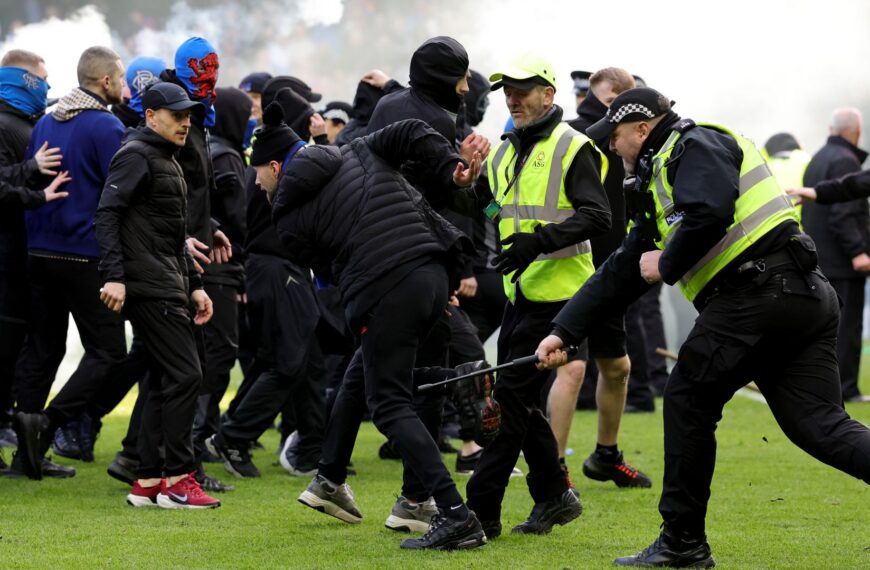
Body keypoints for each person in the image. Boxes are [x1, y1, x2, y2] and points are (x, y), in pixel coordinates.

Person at [535, 87, 870, 567]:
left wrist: (665, 263)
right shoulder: (656, 181)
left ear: (642, 129)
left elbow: (708, 213)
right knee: (821, 427)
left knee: (689, 399)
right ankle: (681, 542)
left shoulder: (694, 145)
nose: (610, 146)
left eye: (615, 136)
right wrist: (562, 331)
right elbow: (623, 269)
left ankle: (682, 544)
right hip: (796, 295)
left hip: (756, 295)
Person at [255, 103, 488, 550]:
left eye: (258, 174)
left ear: (275, 167)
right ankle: (337, 481)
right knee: (367, 371)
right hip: (435, 269)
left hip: (386, 288)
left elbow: (332, 272)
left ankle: (455, 514)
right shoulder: (356, 150)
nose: (256, 183)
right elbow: (412, 130)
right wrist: (453, 166)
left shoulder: (284, 221)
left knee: (388, 403)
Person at [450, 53, 612, 538]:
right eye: (507, 90)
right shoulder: (501, 151)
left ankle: (479, 514)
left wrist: (537, 240)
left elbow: (597, 216)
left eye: (524, 88)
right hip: (522, 295)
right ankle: (554, 494)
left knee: (508, 403)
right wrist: (471, 188)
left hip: (564, 300)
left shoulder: (573, 145)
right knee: (518, 402)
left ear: (549, 94)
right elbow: (500, 207)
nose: (513, 98)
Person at [94, 81, 220, 509]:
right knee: (187, 375)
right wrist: (114, 276)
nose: (186, 122)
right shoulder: (135, 155)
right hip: (148, 288)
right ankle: (180, 479)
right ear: (150, 116)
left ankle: (147, 482)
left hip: (166, 283)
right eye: (177, 115)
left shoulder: (167, 159)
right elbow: (106, 213)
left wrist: (196, 287)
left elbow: (173, 238)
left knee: (164, 379)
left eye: (189, 115)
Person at [12, 46, 128, 480]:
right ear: (104, 82)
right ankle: (48, 424)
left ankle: (26, 457)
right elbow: (120, 197)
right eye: (119, 76)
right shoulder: (107, 126)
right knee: (110, 352)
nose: (124, 83)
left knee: (42, 351)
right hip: (85, 255)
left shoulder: (45, 120)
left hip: (38, 252)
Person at [0, 49, 52, 451]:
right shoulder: (2, 124)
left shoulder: (23, 123)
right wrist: (33, 171)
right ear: (26, 81)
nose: (48, 87)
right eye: (43, 79)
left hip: (20, 259)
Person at [800, 108, 869, 404]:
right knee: (846, 327)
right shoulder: (844, 160)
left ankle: (823, 388)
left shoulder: (818, 157)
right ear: (856, 131)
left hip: (820, 258)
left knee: (825, 329)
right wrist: (858, 251)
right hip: (842, 261)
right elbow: (844, 212)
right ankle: (845, 389)